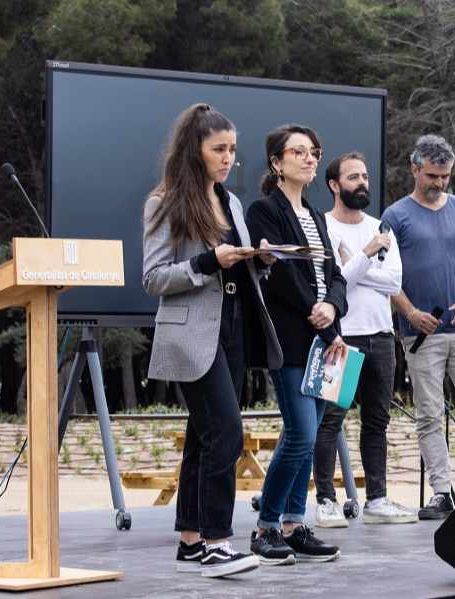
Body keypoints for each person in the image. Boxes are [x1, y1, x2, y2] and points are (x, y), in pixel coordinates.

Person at [142, 104, 283, 578]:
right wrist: (207, 264)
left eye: (233, 149)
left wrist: (260, 260)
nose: (228, 158)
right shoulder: (163, 203)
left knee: (204, 438)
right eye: (218, 149)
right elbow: (153, 278)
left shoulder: (233, 202)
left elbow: (237, 267)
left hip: (234, 329)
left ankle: (189, 538)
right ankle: (218, 541)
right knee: (227, 431)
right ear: (193, 150)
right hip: (191, 336)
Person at [382, 134, 455, 520]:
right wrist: (411, 313)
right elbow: (383, 277)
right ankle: (442, 492)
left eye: (445, 176)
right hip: (421, 334)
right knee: (430, 414)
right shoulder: (394, 216)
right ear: (414, 170)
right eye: (432, 175)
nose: (439, 183)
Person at [246, 124, 348, 564]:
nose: (310, 159)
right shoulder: (263, 211)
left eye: (315, 152)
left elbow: (336, 277)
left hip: (326, 338)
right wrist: (323, 320)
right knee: (302, 434)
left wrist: (334, 311)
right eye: (300, 152)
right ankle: (266, 527)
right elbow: (284, 278)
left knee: (305, 435)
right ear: (277, 162)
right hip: (293, 338)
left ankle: (292, 524)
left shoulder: (318, 217)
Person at [312, 152, 417, 527]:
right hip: (342, 336)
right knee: (330, 421)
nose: (363, 183)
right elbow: (329, 282)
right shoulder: (322, 226)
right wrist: (368, 255)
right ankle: (325, 501)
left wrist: (353, 264)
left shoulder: (381, 228)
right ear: (334, 185)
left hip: (382, 337)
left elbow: (393, 284)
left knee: (377, 421)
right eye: (354, 177)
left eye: (365, 176)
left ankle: (377, 499)